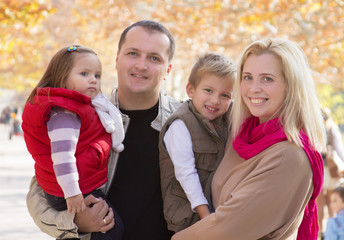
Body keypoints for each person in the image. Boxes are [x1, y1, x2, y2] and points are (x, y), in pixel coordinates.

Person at [25, 20, 182, 240]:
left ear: (168, 70)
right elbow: (38, 198)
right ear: (117, 60)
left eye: (154, 58)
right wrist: (77, 221)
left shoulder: (185, 120)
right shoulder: (82, 118)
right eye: (133, 54)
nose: (141, 65)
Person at [172, 38, 326, 240]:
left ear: (291, 85)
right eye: (247, 77)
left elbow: (224, 228)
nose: (253, 88)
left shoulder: (289, 155)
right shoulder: (243, 132)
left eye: (267, 79)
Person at [22, 45, 125, 240]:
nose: (93, 79)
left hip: (78, 187)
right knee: (110, 228)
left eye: (97, 75)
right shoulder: (65, 114)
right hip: (72, 190)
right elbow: (63, 157)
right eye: (84, 73)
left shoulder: (84, 107)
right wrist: (72, 193)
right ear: (62, 77)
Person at [159, 52, 235, 232]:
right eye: (208, 90)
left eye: (225, 95)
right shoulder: (180, 125)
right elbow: (186, 174)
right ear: (191, 90)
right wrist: (206, 217)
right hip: (189, 219)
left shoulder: (226, 122)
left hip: (218, 215)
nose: (215, 100)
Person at [318, 107, 344, 236]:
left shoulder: (316, 129)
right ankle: (332, 232)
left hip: (319, 170)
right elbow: (339, 149)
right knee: (331, 202)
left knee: (320, 203)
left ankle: (321, 231)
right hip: (331, 170)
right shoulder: (332, 128)